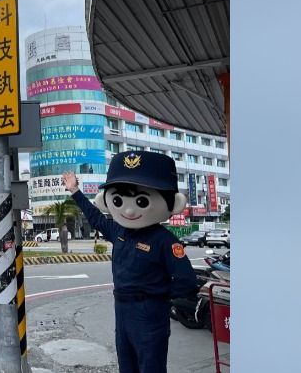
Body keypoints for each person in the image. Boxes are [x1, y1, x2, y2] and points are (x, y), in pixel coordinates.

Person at [63, 151, 199, 373]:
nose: (128, 209)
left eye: (141, 200)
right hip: (122, 310)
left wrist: (157, 294)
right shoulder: (118, 230)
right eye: (118, 200)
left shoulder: (165, 241)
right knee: (126, 365)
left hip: (150, 311)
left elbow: (187, 281)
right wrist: (75, 191)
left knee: (150, 366)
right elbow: (96, 218)